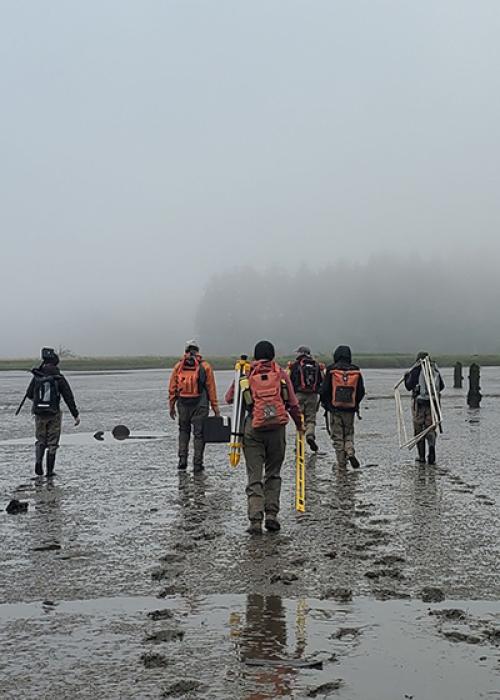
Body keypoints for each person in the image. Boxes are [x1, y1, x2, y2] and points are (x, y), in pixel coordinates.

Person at [225, 340, 303, 535]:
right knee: (273, 473)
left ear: (255, 356)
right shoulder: (281, 373)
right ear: (273, 355)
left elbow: (229, 398)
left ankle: (255, 520)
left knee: (254, 476)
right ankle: (271, 515)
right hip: (277, 429)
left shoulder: (246, 374)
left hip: (253, 429)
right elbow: (293, 404)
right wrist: (300, 426)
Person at [25, 347, 80, 477]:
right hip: (54, 413)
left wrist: (39, 402)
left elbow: (29, 394)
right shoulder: (58, 377)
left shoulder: (37, 376)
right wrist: (75, 415)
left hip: (39, 413)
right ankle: (49, 471)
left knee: (40, 440)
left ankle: (38, 463)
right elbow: (68, 396)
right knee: (52, 442)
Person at [168, 340, 220, 471]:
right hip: (200, 404)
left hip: (183, 404)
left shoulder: (179, 366)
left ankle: (182, 460)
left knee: (184, 431)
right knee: (199, 434)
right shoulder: (205, 366)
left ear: (185, 351)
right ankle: (197, 463)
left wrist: (171, 406)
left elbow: (172, 388)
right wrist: (215, 408)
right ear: (198, 351)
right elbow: (211, 388)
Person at [320, 345, 365, 470]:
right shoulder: (355, 370)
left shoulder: (331, 370)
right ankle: (350, 451)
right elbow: (361, 391)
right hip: (350, 411)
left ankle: (341, 464)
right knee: (349, 434)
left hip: (335, 410)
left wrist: (327, 405)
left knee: (338, 437)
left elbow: (324, 391)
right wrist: (355, 405)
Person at [404, 352, 444, 465]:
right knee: (430, 427)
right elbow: (442, 386)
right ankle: (431, 446)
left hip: (419, 404)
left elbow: (408, 386)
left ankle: (421, 457)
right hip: (433, 404)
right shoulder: (434, 369)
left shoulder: (416, 370)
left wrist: (406, 377)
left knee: (418, 429)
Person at [288, 345, 323, 452]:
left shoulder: (295, 365)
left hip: (298, 395)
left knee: (299, 420)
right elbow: (321, 381)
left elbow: (290, 382)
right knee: (310, 419)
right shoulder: (316, 365)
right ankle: (310, 435)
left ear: (300, 353)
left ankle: (299, 445)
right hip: (313, 396)